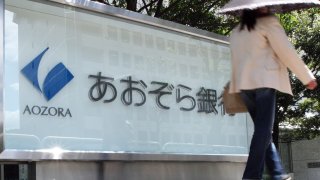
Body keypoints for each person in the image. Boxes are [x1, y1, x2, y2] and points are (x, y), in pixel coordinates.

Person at [228, 7, 318, 180]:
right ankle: (251, 176)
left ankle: (277, 173)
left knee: (264, 132)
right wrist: (306, 77)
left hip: (244, 86)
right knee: (263, 131)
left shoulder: (237, 30)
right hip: (264, 83)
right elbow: (286, 51)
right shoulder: (269, 22)